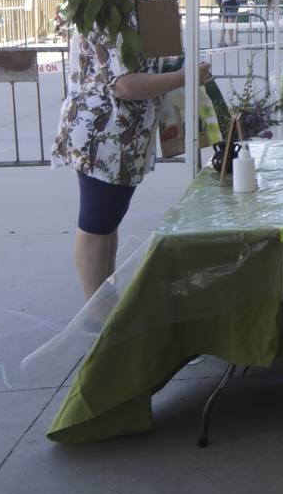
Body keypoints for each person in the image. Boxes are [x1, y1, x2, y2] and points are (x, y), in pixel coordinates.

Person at [53, 20, 211, 300]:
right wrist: (185, 76)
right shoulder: (109, 16)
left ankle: (104, 301)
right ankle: (96, 312)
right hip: (105, 136)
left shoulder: (122, 12)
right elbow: (124, 85)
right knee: (97, 224)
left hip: (120, 139)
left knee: (107, 221)